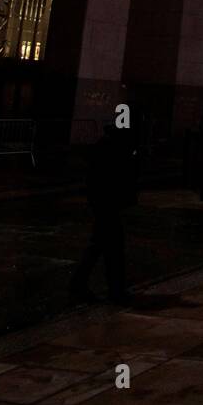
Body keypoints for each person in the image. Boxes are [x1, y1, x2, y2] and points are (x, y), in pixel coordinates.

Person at [70, 123, 139, 305]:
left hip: (103, 205)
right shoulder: (111, 151)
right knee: (111, 248)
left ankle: (84, 285)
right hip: (106, 205)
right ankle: (112, 290)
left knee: (102, 246)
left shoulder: (105, 148)